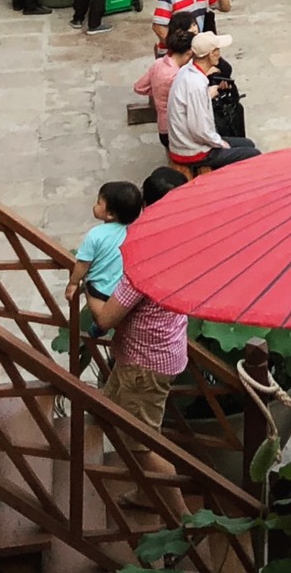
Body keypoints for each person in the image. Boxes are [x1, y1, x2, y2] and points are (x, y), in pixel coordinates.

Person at [82, 173, 191, 483]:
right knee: (108, 410)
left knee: (141, 446)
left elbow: (106, 319)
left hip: (145, 365)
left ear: (145, 203)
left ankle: (176, 507)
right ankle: (141, 491)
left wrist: (88, 288)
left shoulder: (148, 260)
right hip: (158, 351)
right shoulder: (183, 244)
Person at [167, 30, 260, 169]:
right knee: (254, 154)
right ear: (211, 54)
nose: (219, 54)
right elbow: (200, 130)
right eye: (217, 50)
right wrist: (221, 144)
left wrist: (211, 91)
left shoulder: (187, 71)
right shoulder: (196, 84)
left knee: (248, 143)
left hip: (186, 142)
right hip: (193, 151)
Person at [67, 179, 143, 309]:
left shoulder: (96, 235)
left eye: (98, 203)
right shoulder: (135, 232)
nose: (95, 205)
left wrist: (73, 283)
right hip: (122, 294)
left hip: (99, 291)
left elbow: (83, 264)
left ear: (110, 214)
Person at [134, 17, 199, 148]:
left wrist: (158, 92)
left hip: (163, 127)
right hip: (177, 130)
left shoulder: (159, 63)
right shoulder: (178, 77)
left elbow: (139, 87)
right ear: (189, 53)